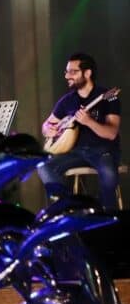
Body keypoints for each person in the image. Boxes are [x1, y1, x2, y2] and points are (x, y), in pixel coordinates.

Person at [38, 52, 121, 211]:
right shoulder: (67, 100)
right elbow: (46, 125)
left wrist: (89, 121)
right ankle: (68, 208)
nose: (67, 76)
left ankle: (105, 215)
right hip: (75, 152)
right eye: (66, 72)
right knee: (44, 165)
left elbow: (111, 133)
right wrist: (49, 130)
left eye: (72, 72)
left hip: (102, 151)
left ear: (87, 73)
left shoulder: (108, 97)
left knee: (109, 175)